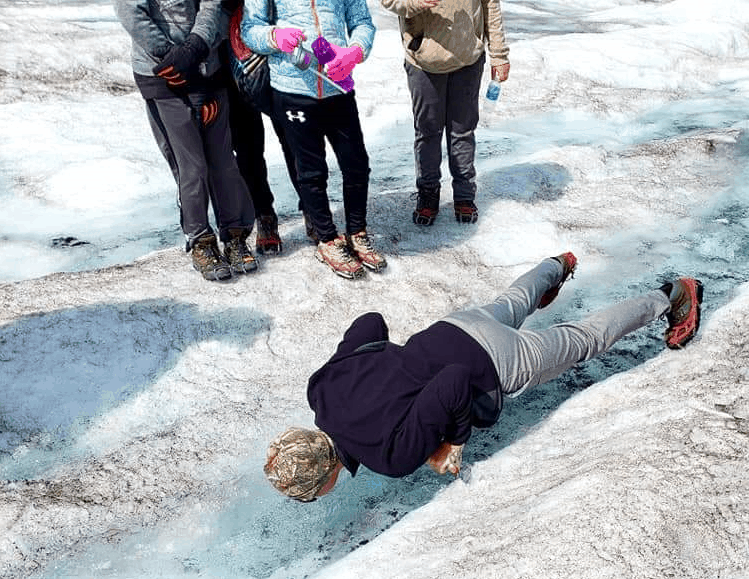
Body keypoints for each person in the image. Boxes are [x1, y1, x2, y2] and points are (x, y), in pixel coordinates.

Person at [263, 253, 705, 501]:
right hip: (451, 329)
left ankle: (673, 296)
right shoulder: (321, 390)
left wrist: (455, 442)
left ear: (323, 481)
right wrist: (389, 366)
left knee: (585, 338)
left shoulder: (389, 457)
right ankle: (557, 265)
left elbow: (453, 382)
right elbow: (370, 324)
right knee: (512, 301)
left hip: (497, 362)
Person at [115, 0, 260, 281]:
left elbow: (213, 6)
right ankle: (201, 240)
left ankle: (234, 235)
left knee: (223, 163)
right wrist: (170, 54)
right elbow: (130, 11)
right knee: (191, 167)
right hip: (164, 77)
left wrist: (195, 48)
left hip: (208, 70)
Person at [242, 0, 385, 280]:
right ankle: (327, 240)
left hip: (338, 86)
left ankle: (357, 232)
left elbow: (362, 22)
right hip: (292, 89)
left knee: (356, 164)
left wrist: (354, 52)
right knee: (310, 170)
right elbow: (250, 29)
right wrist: (275, 37)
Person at [380, 0, 510, 226]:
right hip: (424, 61)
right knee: (428, 131)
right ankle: (428, 194)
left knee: (462, 131)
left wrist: (499, 54)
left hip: (468, 57)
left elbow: (490, 5)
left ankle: (464, 195)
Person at [223, 0, 303, 255]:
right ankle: (264, 215)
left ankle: (312, 207)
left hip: (278, 56)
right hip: (230, 61)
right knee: (247, 149)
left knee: (295, 140)